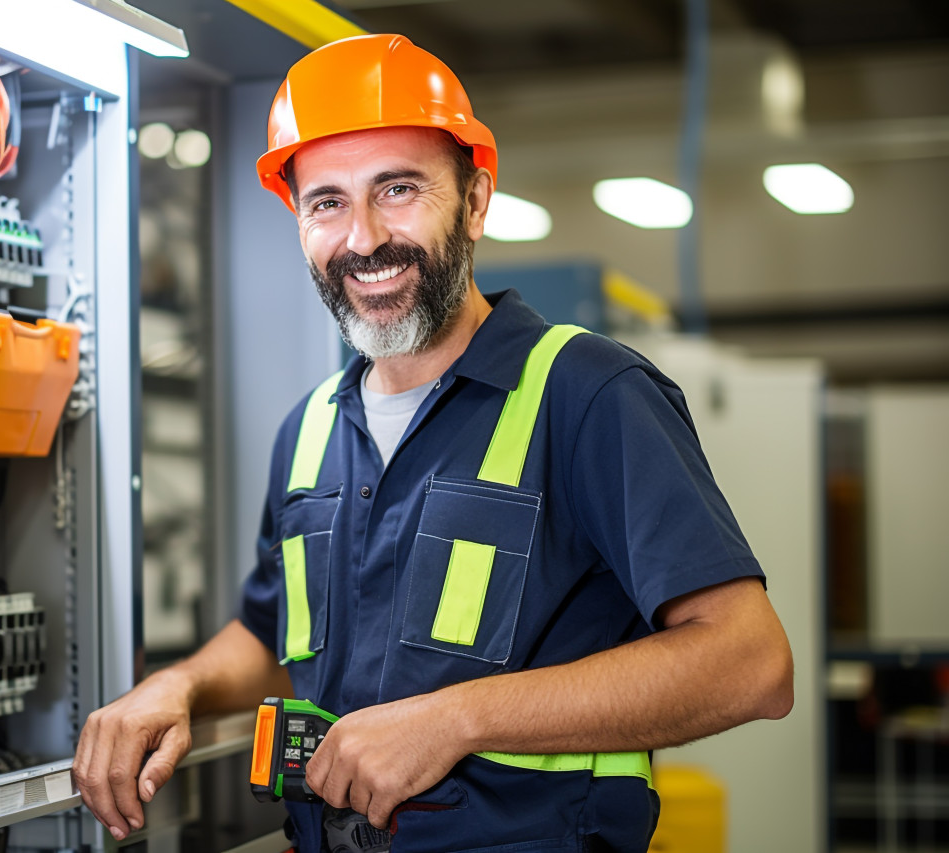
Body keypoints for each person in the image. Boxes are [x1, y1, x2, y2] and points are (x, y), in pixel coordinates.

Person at [74, 33, 793, 853]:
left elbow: (750, 662)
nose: (364, 236)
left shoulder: (587, 393)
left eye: (399, 188)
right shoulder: (309, 428)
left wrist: (452, 720)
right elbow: (273, 636)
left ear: (476, 200)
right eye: (327, 203)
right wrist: (176, 687)